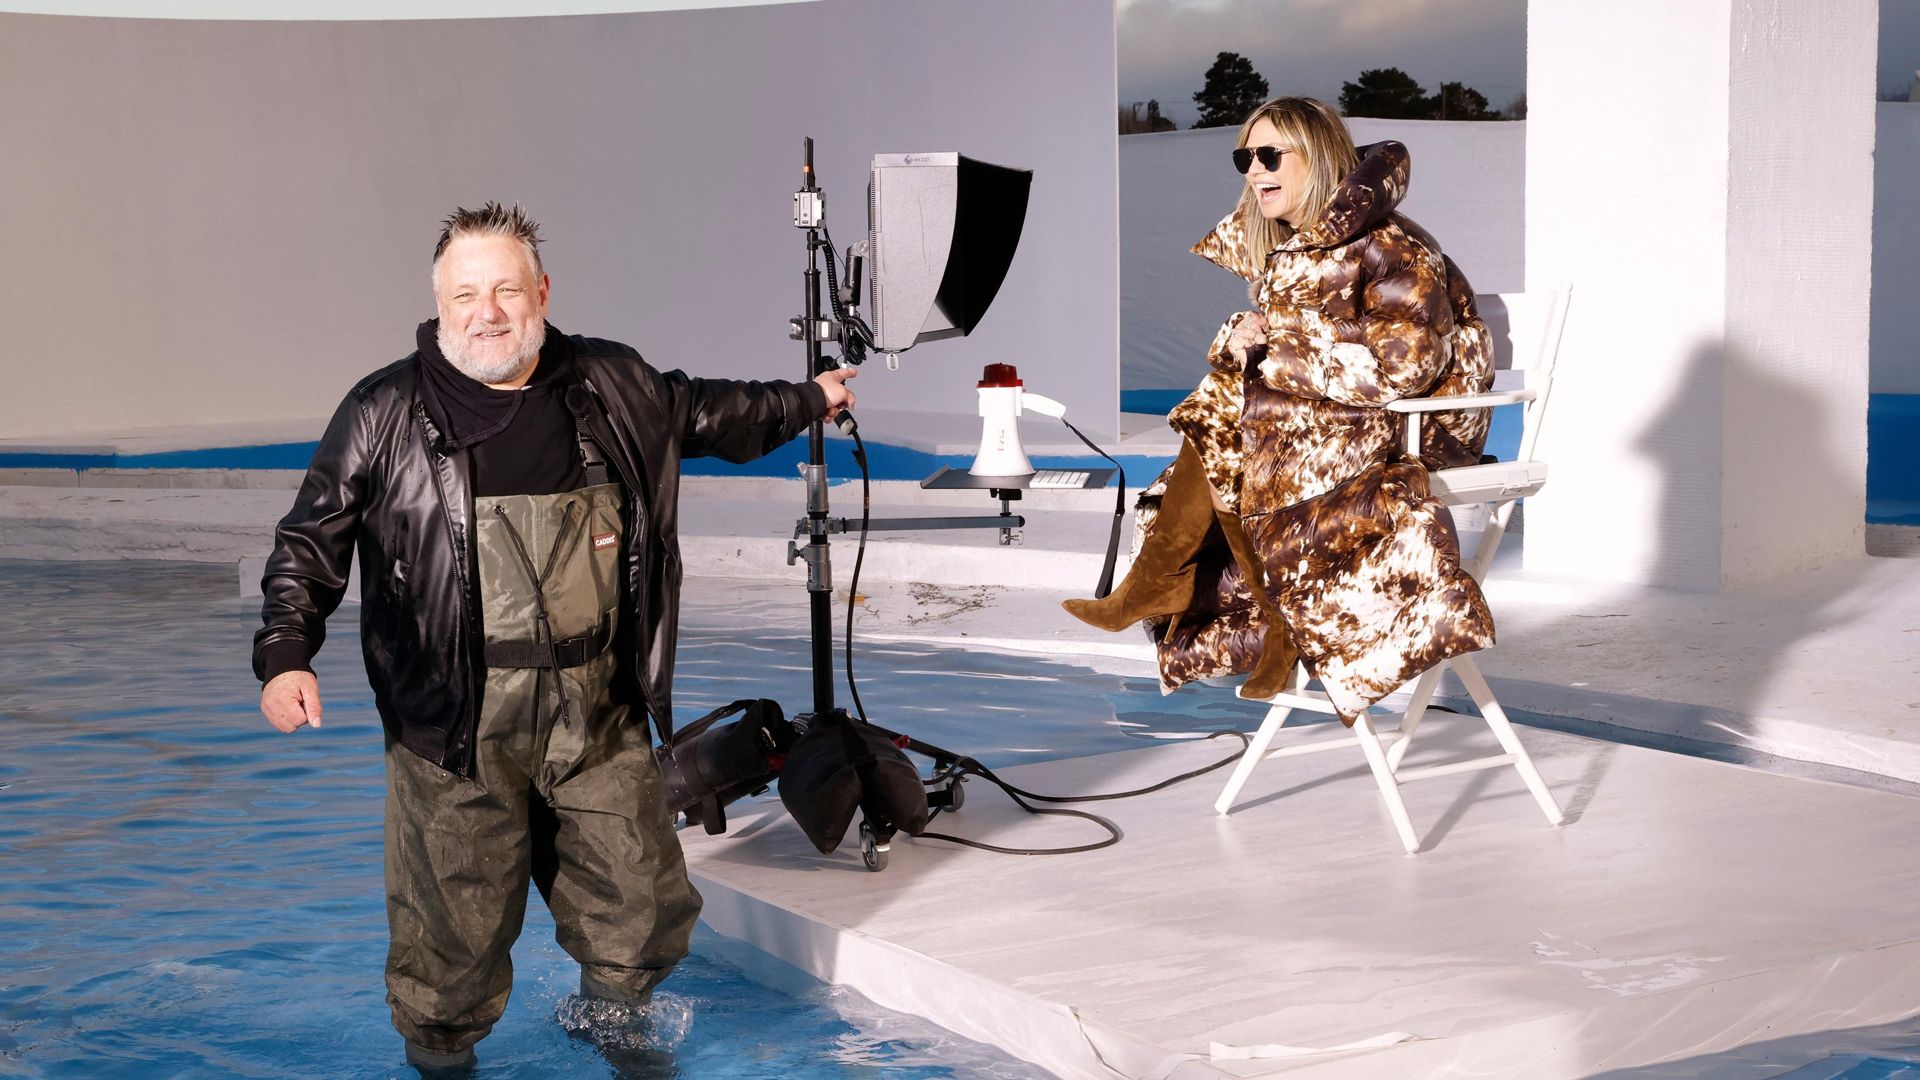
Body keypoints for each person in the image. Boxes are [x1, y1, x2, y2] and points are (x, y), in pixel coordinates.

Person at [252, 202, 855, 1073]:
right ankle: (442, 1063)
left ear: (542, 291)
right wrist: (285, 657)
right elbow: (309, 543)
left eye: (506, 289)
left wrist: (809, 398)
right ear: (438, 303)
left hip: (596, 711)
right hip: (454, 725)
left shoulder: (611, 384)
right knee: (448, 944)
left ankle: (619, 1035)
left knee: (639, 904)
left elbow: (713, 413)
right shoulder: (383, 410)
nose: (487, 312)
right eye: (466, 295)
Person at [1064, 97, 1496, 719]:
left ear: (1316, 158)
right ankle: (1236, 610)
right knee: (1227, 407)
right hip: (1333, 422)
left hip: (1418, 429)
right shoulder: (1296, 248)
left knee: (1232, 415)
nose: (1253, 171)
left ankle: (1177, 587)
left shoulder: (1390, 245)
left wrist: (1279, 352)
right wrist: (1245, 338)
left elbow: (1405, 368)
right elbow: (1292, 346)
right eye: (1244, 157)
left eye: (1269, 155)